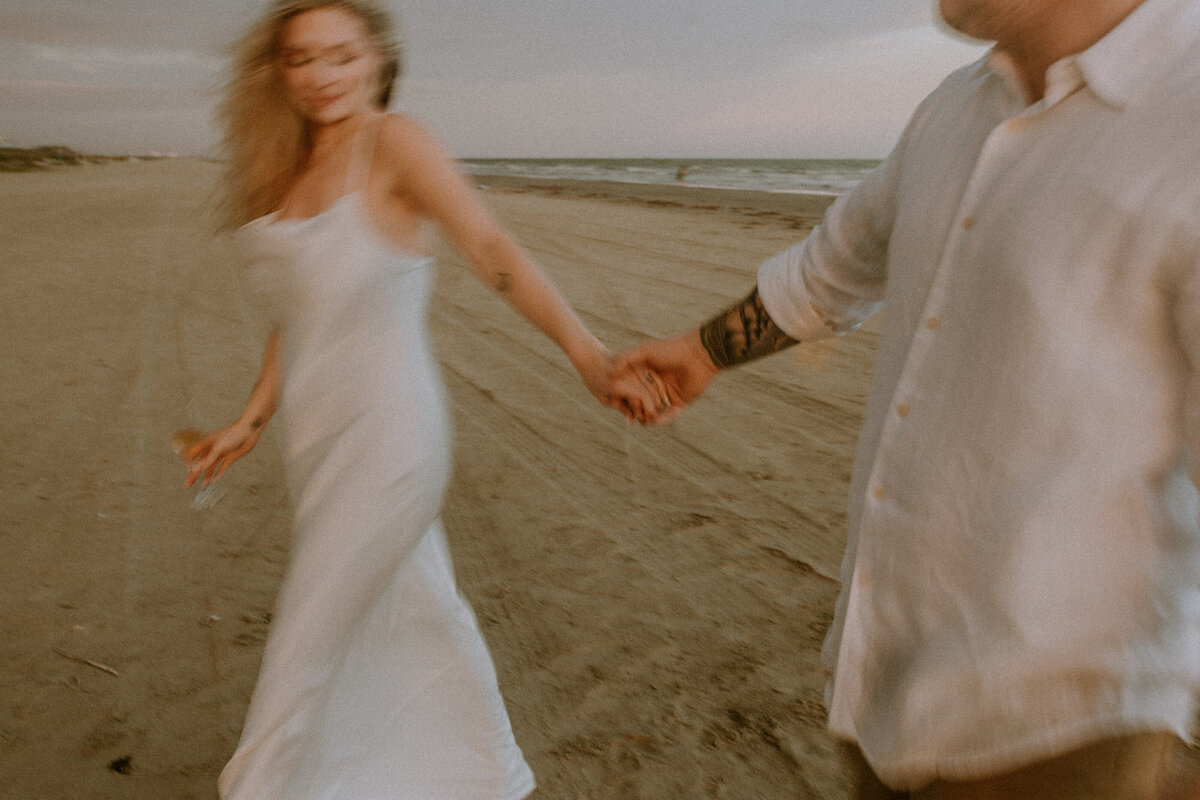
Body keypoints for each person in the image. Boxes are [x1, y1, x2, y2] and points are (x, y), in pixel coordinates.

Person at [623, 0, 1200, 797]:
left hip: (1062, 724)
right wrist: (700, 352)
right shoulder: (955, 107)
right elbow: (834, 268)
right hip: (885, 688)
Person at [185, 2, 667, 797]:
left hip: (389, 435)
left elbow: (489, 247)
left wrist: (590, 356)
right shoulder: (285, 161)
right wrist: (252, 417)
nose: (322, 76)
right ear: (278, 70)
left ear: (376, 58)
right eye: (302, 59)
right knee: (414, 613)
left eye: (341, 56)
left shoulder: (394, 144)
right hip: (317, 439)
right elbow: (300, 315)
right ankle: (468, 775)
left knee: (306, 643)